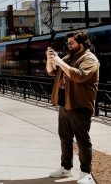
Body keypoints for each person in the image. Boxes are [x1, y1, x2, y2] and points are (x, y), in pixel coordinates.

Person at [46, 31, 99, 184]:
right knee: (65, 137)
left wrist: (59, 61)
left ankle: (86, 173)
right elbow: (52, 72)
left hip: (80, 105)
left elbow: (79, 75)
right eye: (68, 43)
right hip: (65, 103)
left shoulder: (89, 58)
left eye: (71, 43)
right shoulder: (69, 57)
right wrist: (50, 59)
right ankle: (66, 168)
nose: (68, 45)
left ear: (81, 43)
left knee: (82, 140)